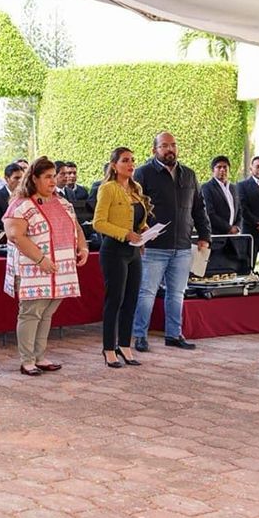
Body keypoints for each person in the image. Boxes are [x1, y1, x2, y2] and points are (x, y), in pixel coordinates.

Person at [2, 157, 89, 376]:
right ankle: (27, 360)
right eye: (48, 177)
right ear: (34, 178)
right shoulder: (21, 205)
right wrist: (41, 260)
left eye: (54, 176)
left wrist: (83, 248)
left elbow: (76, 227)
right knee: (31, 313)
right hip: (34, 270)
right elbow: (15, 236)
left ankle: (40, 356)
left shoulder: (63, 202)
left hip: (60, 270)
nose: (53, 181)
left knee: (47, 313)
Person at [132, 132, 211, 352]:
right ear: (154, 150)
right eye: (164, 146)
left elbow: (199, 208)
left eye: (173, 145)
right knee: (147, 293)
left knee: (177, 294)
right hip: (154, 247)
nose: (170, 149)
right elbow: (136, 208)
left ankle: (174, 335)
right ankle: (140, 335)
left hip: (183, 246)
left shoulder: (189, 174)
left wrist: (205, 235)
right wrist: (140, 235)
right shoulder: (143, 174)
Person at [92, 147, 149, 368]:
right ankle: (108, 348)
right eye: (125, 160)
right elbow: (98, 222)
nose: (130, 164)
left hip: (134, 251)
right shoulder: (107, 189)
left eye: (132, 160)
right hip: (114, 250)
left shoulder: (136, 189)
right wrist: (125, 234)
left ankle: (125, 345)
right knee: (114, 300)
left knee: (131, 300)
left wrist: (145, 229)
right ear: (114, 165)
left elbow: (138, 219)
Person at [201, 155, 242, 235]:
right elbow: (209, 213)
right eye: (219, 167)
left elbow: (240, 210)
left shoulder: (234, 188)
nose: (222, 170)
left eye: (225, 167)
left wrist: (237, 227)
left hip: (233, 238)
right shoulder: (207, 188)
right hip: (217, 236)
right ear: (213, 170)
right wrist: (229, 228)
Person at [0, 163, 24, 228]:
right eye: (16, 178)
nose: (20, 181)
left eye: (22, 178)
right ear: (7, 179)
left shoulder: (27, 197)